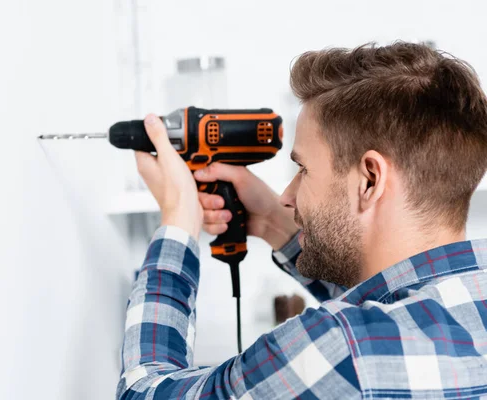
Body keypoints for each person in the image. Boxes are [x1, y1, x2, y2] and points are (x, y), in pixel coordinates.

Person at [116, 42, 487, 399]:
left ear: (370, 179)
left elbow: (143, 392)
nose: (286, 197)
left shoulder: (341, 348)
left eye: (303, 169)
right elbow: (393, 306)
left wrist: (178, 219)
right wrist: (273, 223)